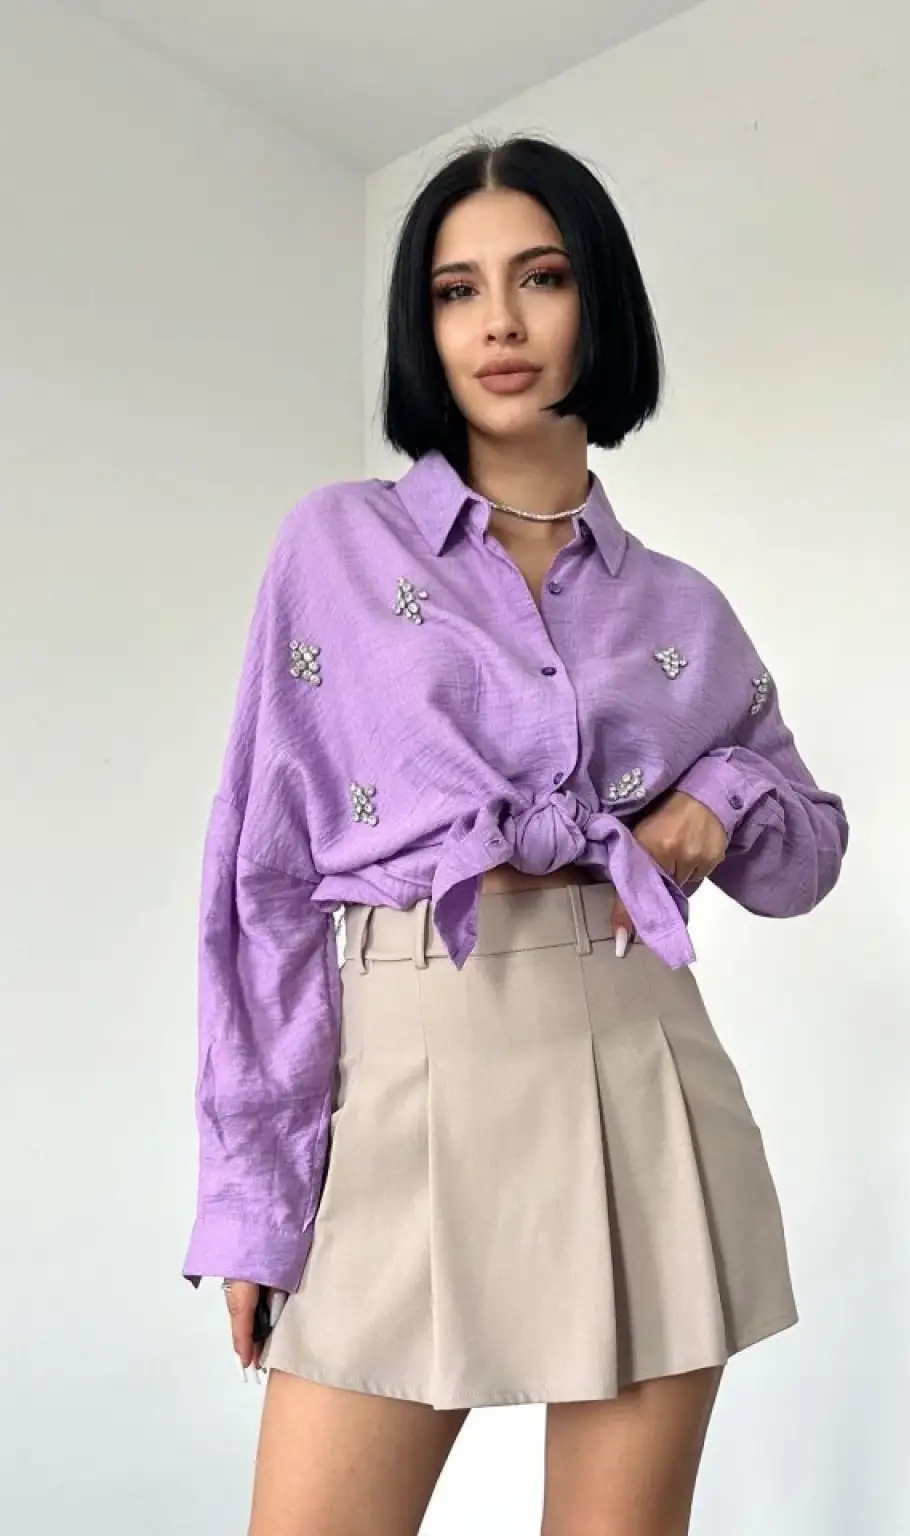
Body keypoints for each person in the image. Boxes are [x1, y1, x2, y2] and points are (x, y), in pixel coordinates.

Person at [182, 135, 849, 1536]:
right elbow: (265, 884)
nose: (498, 322)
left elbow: (807, 853)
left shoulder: (684, 609)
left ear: (596, 301)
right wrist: (256, 1199)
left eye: (540, 278)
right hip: (406, 1078)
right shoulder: (338, 548)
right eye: (456, 290)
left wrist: (721, 798)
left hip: (642, 1075)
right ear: (422, 327)